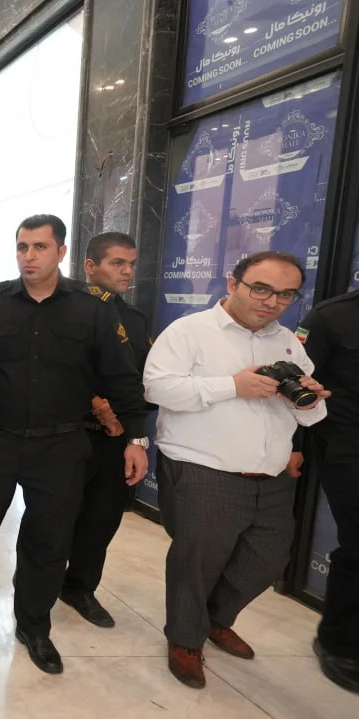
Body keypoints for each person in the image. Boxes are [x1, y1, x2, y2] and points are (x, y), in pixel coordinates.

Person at [0, 214, 150, 676]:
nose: (29, 256)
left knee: (48, 540)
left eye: (40, 247)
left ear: (61, 252)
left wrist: (135, 437)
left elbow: (121, 377)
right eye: (22, 247)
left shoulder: (93, 308)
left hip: (60, 444)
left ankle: (33, 624)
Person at [145, 251, 329, 690]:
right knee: (198, 562)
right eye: (261, 289)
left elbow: (310, 417)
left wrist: (311, 398)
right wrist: (232, 386)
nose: (271, 301)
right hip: (204, 468)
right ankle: (185, 639)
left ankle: (214, 619)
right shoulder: (190, 331)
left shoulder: (289, 342)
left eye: (285, 294)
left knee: (268, 559)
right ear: (233, 284)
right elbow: (157, 388)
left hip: (271, 474)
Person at [59, 232, 154, 628]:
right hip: (67, 434)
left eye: (131, 264)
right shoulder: (63, 310)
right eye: (117, 263)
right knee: (54, 518)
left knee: (102, 519)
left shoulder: (134, 319)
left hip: (115, 440)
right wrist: (97, 405)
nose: (127, 271)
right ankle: (38, 586)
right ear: (90, 266)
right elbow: (50, 372)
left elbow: (139, 383)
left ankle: (80, 587)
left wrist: (136, 436)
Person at [299, 288, 359, 693]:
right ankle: (339, 643)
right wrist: (293, 448)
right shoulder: (331, 316)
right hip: (348, 447)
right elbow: (297, 385)